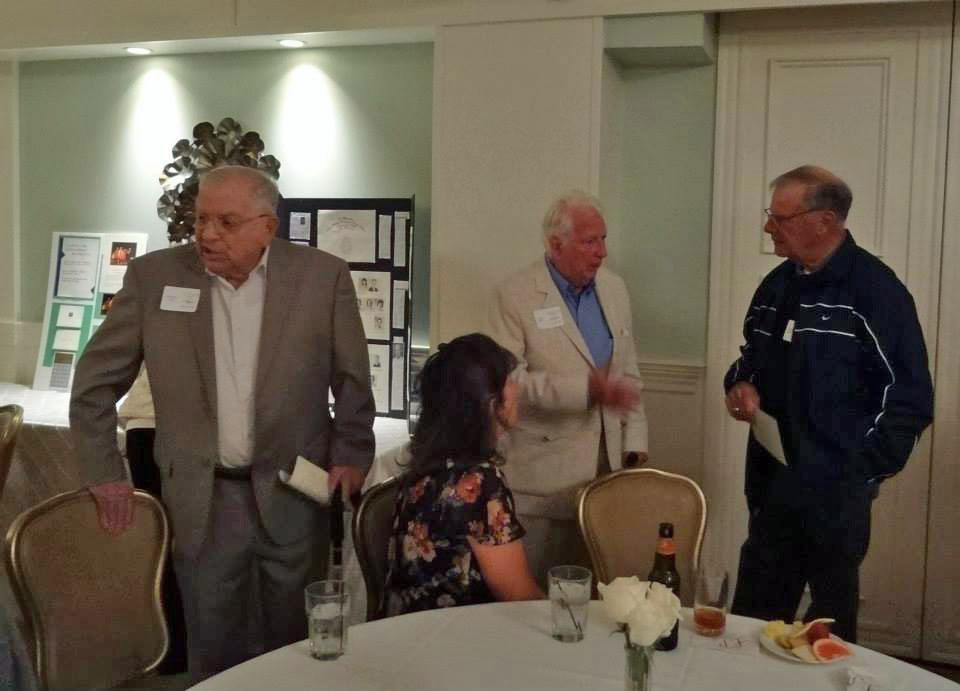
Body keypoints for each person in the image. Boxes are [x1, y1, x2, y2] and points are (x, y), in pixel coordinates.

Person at [69, 165, 375, 680]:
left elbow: (353, 381)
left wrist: (351, 452)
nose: (208, 234)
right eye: (201, 219)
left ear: (267, 227)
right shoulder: (154, 278)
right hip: (202, 500)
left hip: (294, 494)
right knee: (212, 654)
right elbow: (93, 383)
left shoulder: (322, 278)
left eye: (226, 222)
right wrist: (103, 472)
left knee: (297, 651)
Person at [724, 165, 933, 642]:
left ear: (825, 221)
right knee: (752, 624)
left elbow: (910, 397)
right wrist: (740, 386)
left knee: (827, 635)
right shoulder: (775, 286)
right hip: (771, 487)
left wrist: (860, 474)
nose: (768, 227)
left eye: (780, 218)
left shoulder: (876, 291)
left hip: (836, 497)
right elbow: (749, 359)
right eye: (770, 216)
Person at [488, 190, 648, 582]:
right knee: (536, 596)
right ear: (555, 244)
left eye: (604, 239)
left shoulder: (614, 289)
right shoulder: (515, 294)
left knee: (595, 590)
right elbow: (508, 381)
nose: (602, 252)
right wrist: (585, 390)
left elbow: (627, 371)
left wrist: (635, 444)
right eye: (590, 241)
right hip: (542, 480)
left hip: (606, 477)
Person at [386, 333, 543, 614]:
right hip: (462, 632)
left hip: (409, 627)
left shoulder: (426, 468)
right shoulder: (477, 483)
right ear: (491, 402)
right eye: (510, 381)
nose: (517, 389)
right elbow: (519, 596)